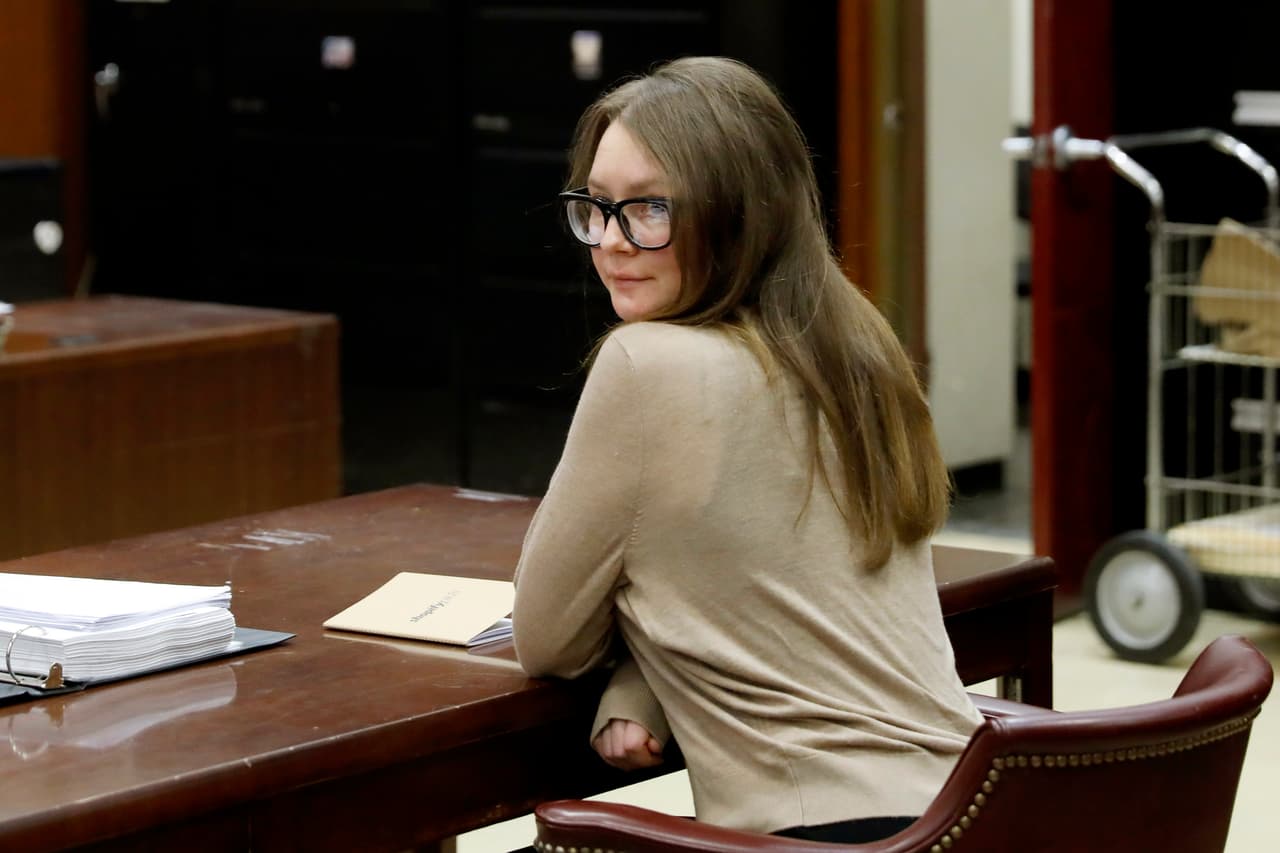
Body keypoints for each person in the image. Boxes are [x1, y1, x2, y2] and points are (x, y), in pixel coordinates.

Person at [511, 56, 982, 843]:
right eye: (596, 206)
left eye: (650, 208)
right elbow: (766, 593)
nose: (612, 241)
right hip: (969, 814)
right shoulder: (858, 348)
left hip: (820, 833)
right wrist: (644, 676)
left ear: (739, 215)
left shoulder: (647, 364)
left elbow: (547, 639)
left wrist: (634, 666)